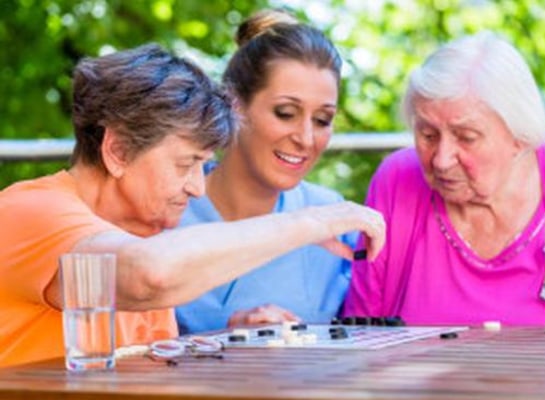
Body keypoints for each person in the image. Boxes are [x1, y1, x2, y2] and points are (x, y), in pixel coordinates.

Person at [0, 43, 385, 367]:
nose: (198, 188)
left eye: (204, 165)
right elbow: (148, 274)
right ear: (117, 150)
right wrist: (310, 223)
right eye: (186, 164)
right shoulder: (29, 211)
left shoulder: (144, 235)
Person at [343, 31, 545, 326]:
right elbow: (361, 332)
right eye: (427, 135)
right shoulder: (397, 181)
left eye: (466, 138)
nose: (441, 159)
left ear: (520, 136)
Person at [175, 9, 355, 334]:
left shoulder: (333, 220)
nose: (306, 138)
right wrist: (226, 335)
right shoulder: (166, 210)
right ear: (235, 104)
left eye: (322, 120)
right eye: (285, 113)